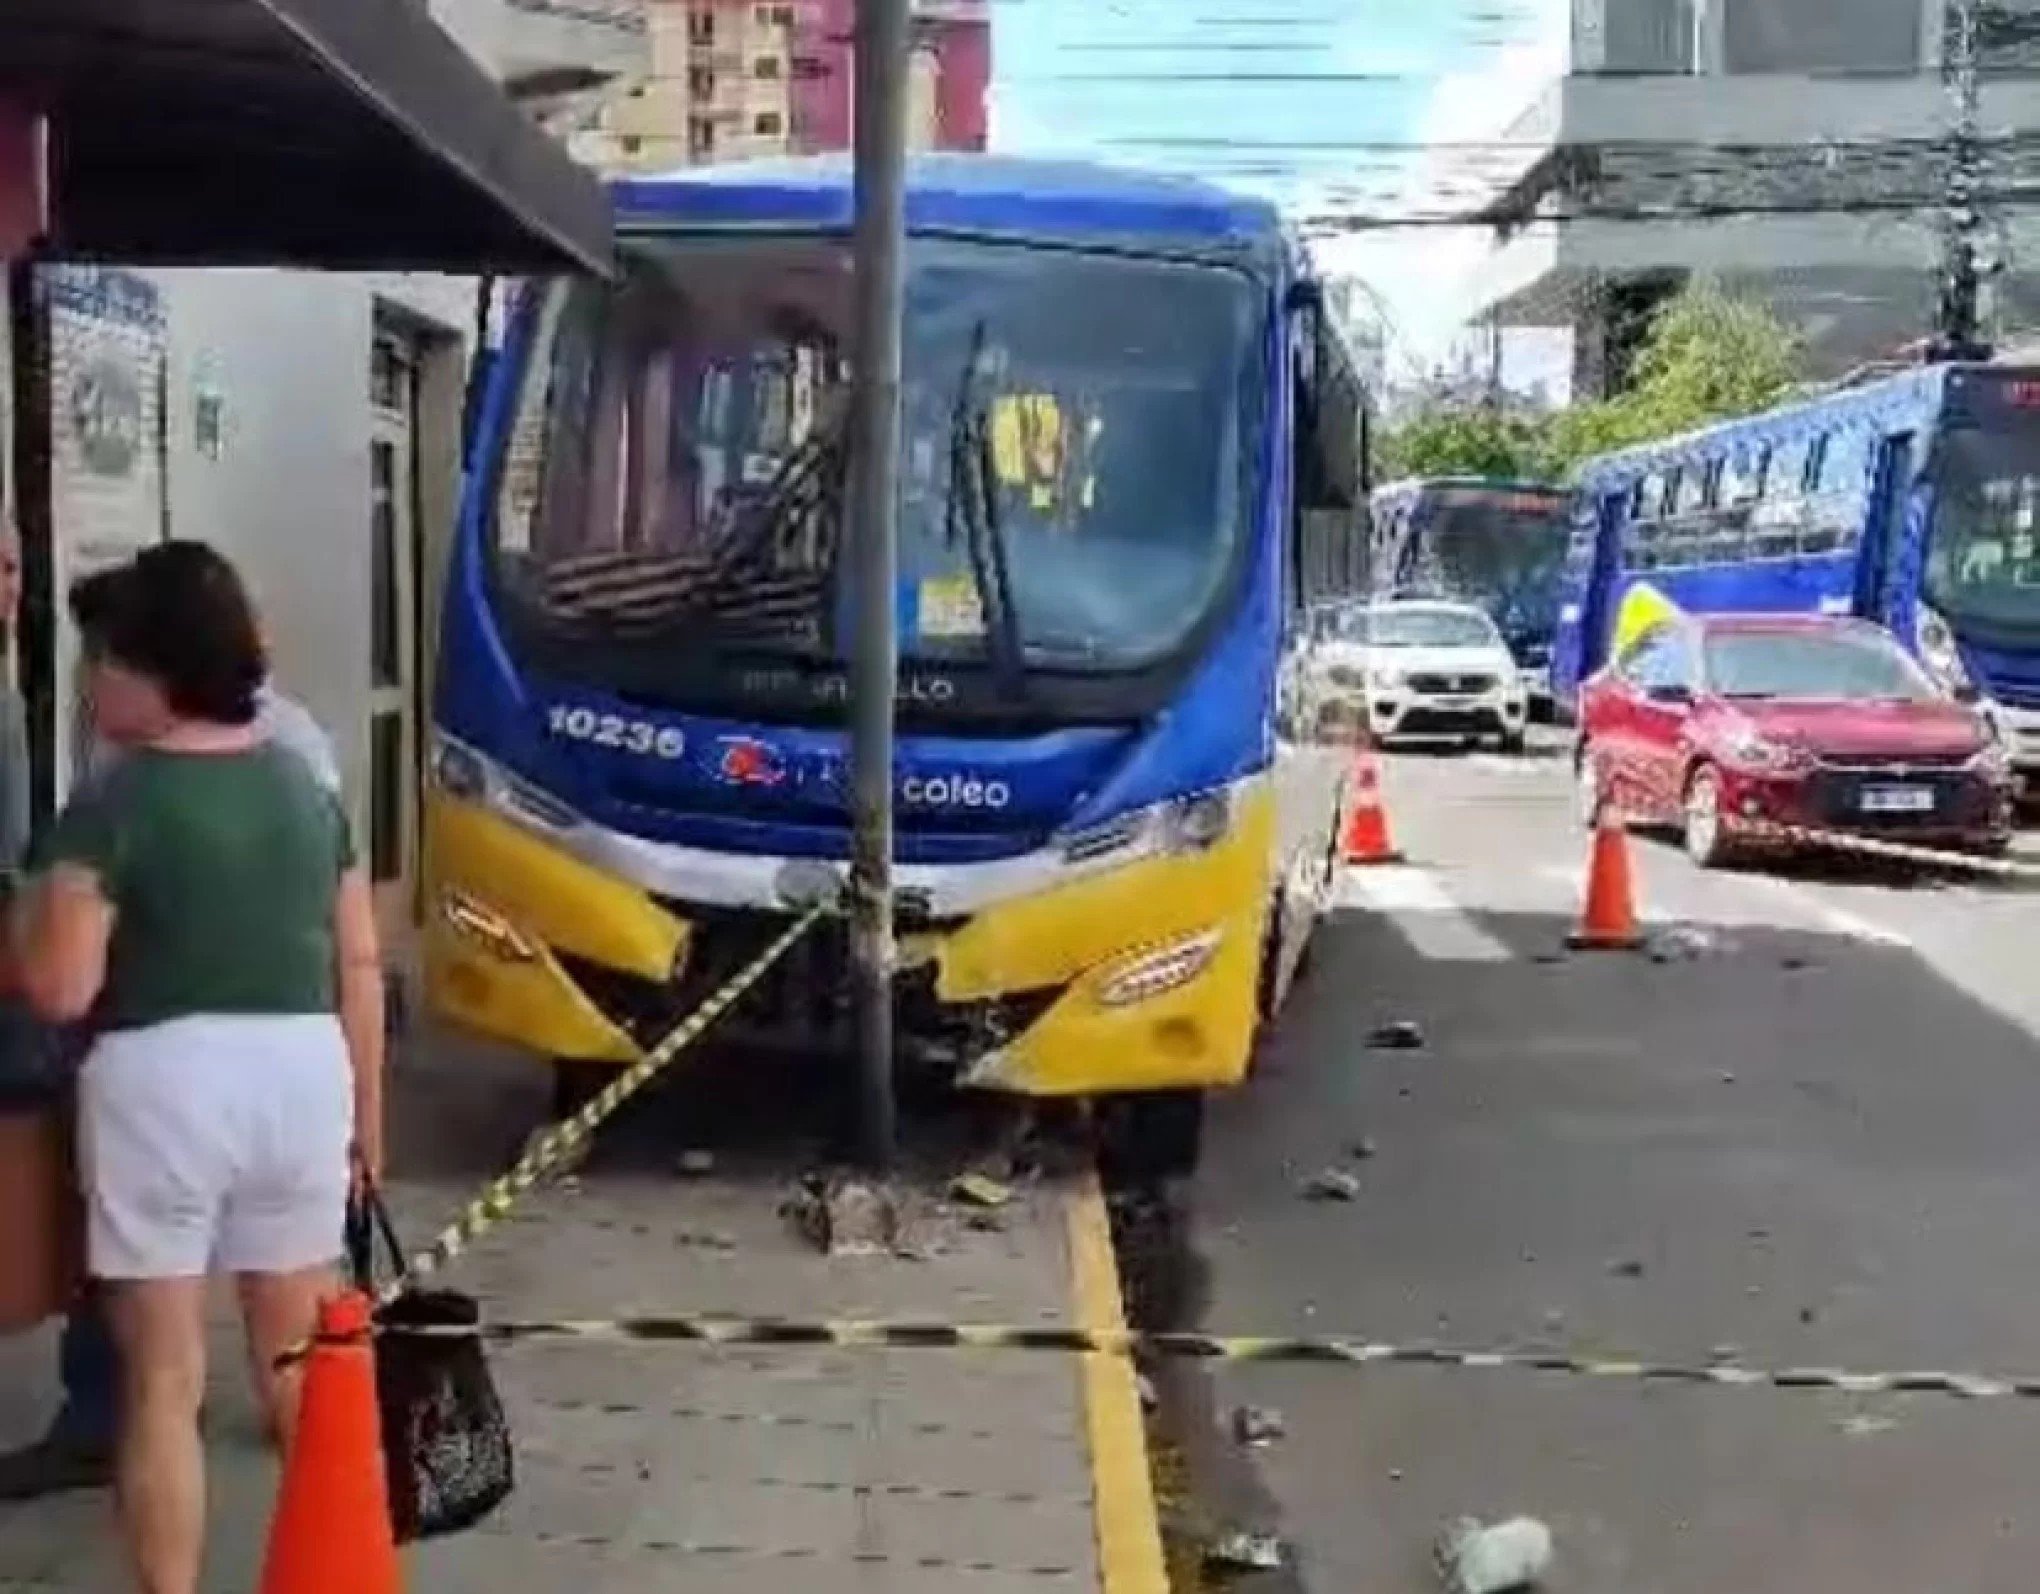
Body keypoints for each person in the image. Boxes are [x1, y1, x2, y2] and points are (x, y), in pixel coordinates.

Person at [11, 542, 384, 1594]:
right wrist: (370, 1127)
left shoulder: (117, 803)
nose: (90, 681)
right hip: (306, 1078)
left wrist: (37, 903)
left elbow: (61, 986)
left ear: (153, 669)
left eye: (103, 660)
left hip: (164, 1088)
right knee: (299, 1363)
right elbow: (358, 960)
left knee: (163, 1383)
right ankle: (329, 1560)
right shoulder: (304, 789)